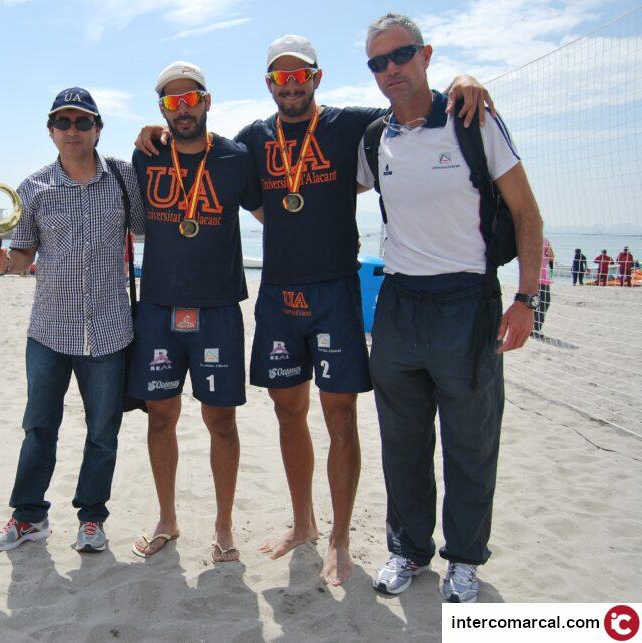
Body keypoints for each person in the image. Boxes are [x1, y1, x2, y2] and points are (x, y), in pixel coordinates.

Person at [138, 35, 490, 585]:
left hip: (335, 291)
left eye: (299, 75)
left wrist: (459, 84)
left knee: (340, 417)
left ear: (316, 78)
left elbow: (410, 104)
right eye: (280, 77)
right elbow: (236, 186)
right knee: (288, 414)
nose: (291, 85)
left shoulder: (353, 125)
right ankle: (303, 524)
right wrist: (153, 131)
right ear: (268, 85)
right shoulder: (252, 141)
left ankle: (340, 540)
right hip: (278, 293)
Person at [356, 13, 543, 603]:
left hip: (467, 301)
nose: (390, 69)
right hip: (398, 303)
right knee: (402, 441)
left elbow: (527, 213)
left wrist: (526, 299)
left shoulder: (472, 119)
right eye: (378, 62)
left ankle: (463, 559)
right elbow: (315, 175)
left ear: (426, 54)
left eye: (401, 55)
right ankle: (408, 550)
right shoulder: (375, 136)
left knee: (470, 442)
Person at [0, 87, 145, 555]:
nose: (72, 130)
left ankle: (92, 520)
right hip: (49, 332)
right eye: (63, 122)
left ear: (98, 128)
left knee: (103, 433)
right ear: (50, 130)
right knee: (39, 428)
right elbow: (22, 256)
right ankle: (29, 518)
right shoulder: (33, 187)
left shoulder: (124, 177)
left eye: (82, 122)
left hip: (109, 331)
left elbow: (147, 230)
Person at [127, 62, 261, 563]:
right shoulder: (146, 155)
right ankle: (167, 519)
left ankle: (224, 526)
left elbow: (271, 214)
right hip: (159, 307)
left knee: (220, 421)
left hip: (218, 309)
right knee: (160, 417)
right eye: (171, 102)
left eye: (190, 99)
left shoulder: (236, 158)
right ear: (162, 110)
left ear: (207, 101)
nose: (182, 109)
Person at [533, 238, 554, 337]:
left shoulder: (525, 239)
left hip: (529, 278)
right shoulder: (544, 240)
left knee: (532, 302)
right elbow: (551, 257)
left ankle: (531, 327)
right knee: (544, 302)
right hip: (541, 278)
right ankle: (536, 328)